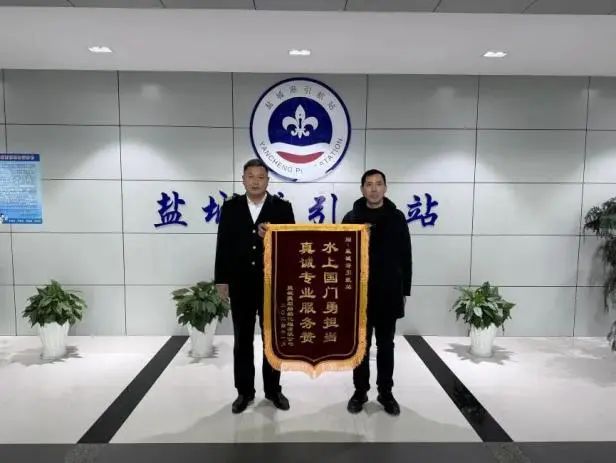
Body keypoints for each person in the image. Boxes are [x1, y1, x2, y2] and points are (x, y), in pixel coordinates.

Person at [215, 158, 295, 414]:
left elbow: (292, 246)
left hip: (272, 284)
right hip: (240, 284)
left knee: (272, 339)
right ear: (243, 180)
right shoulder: (231, 207)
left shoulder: (282, 208)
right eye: (250, 176)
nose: (255, 181)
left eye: (261, 177)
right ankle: (244, 391)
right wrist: (221, 280)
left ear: (268, 181)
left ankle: (273, 390)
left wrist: (273, 236)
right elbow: (223, 245)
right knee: (242, 339)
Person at [342, 169, 412, 416]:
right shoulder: (351, 218)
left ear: (385, 188)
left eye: (378, 184)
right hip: (359, 294)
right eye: (369, 184)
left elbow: (406, 255)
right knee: (360, 346)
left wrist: (404, 290)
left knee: (386, 345)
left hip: (389, 292)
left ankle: (386, 392)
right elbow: (340, 257)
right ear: (362, 189)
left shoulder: (397, 217)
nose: (374, 189)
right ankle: (360, 392)